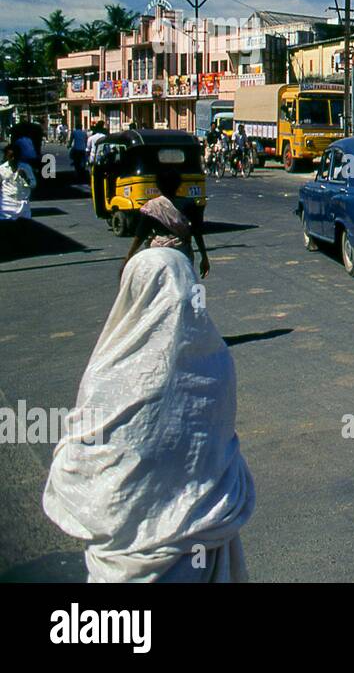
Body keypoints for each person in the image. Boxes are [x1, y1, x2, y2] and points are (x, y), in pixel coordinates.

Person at [43, 247, 255, 582]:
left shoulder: (110, 370)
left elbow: (85, 458)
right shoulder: (217, 362)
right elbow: (217, 444)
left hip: (124, 554)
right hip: (202, 537)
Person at [124, 169, 210, 278]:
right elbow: (197, 232)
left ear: (158, 185)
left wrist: (129, 256)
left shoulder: (152, 206)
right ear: (179, 184)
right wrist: (204, 257)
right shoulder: (189, 204)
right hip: (182, 253)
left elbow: (141, 234)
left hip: (157, 255)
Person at [1, 144, 36, 220]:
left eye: (15, 156)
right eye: (10, 156)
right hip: (7, 204)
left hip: (23, 204)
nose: (13, 159)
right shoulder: (1, 169)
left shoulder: (26, 167)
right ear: (6, 156)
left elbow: (33, 185)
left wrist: (25, 177)